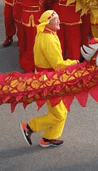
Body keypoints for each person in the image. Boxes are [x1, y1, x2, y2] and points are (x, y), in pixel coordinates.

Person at [20, 11, 78, 148]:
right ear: (48, 23)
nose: (59, 21)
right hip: (48, 81)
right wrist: (74, 63)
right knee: (59, 114)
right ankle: (29, 127)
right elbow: (57, 64)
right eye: (56, 20)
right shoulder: (48, 39)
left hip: (47, 79)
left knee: (60, 112)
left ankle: (48, 138)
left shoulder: (46, 34)